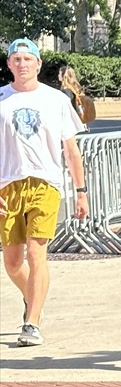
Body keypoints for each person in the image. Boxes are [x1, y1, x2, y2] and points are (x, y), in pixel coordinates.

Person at [0, 38, 88, 347]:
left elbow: (72, 150)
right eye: (16, 59)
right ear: (9, 64)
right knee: (11, 262)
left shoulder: (56, 100)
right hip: (7, 185)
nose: (22, 63)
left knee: (37, 252)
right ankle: (32, 296)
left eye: (28, 58)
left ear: (38, 64)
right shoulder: (1, 99)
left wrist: (81, 191)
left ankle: (32, 322)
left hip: (45, 184)